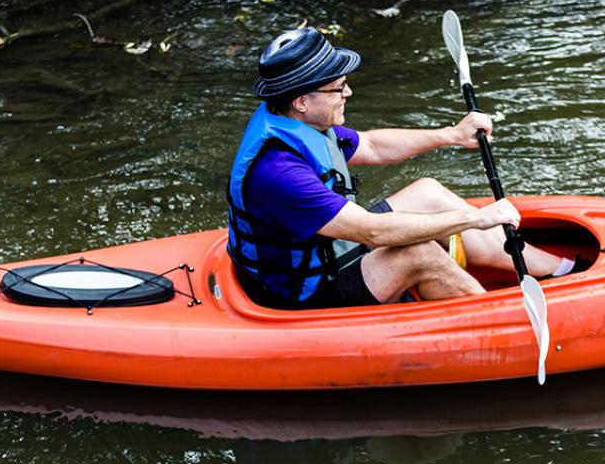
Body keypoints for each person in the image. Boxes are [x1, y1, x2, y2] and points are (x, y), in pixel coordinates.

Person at [227, 27, 576, 310]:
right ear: (302, 101)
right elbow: (372, 232)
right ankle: (501, 322)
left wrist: (451, 135)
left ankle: (561, 272)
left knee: (428, 194)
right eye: (338, 88)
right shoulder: (279, 173)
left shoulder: (296, 118)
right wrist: (473, 218)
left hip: (328, 251)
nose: (348, 93)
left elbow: (372, 146)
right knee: (419, 253)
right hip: (303, 292)